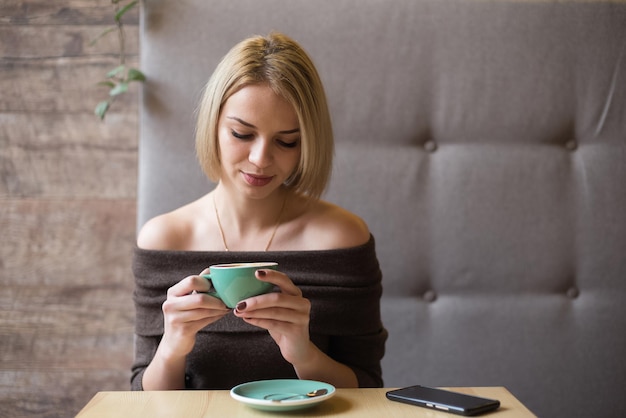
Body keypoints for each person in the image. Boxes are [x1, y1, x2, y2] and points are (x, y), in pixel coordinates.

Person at [131, 32, 387, 391]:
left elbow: (368, 387)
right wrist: (172, 348)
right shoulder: (165, 239)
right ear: (214, 125)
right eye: (241, 134)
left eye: (287, 141)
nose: (261, 159)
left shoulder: (342, 239)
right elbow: (143, 398)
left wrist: (303, 353)